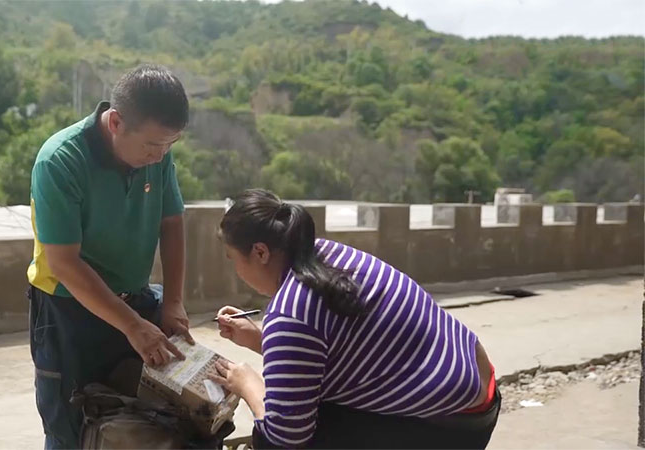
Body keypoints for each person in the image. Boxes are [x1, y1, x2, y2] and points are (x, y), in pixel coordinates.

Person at [210, 189, 500, 449]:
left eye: (232, 258)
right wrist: (262, 341)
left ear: (260, 252)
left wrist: (247, 383)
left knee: (270, 440)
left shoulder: (288, 314)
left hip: (449, 427)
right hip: (479, 392)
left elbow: (286, 438)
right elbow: (340, 347)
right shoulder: (325, 253)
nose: (236, 271)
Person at [27, 64, 194, 449]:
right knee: (72, 429)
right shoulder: (60, 161)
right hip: (68, 312)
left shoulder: (158, 154)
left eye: (169, 145)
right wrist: (133, 326)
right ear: (116, 122)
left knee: (140, 422)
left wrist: (172, 301)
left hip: (134, 301)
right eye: (152, 145)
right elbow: (64, 263)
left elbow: (171, 222)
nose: (160, 155)